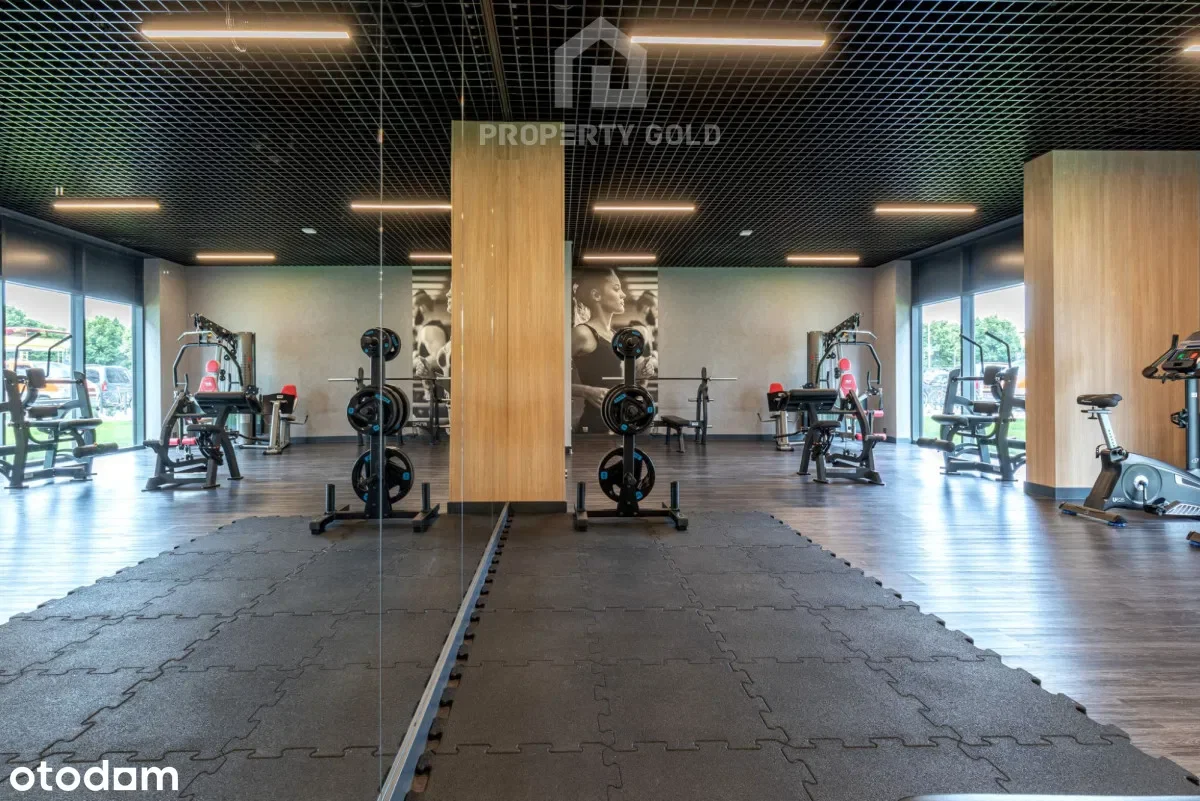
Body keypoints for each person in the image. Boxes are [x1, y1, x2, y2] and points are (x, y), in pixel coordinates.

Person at [572, 269, 626, 433]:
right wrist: (586, 391)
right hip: (596, 426)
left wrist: (643, 370)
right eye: (616, 289)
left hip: (620, 423)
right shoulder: (582, 333)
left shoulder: (616, 336)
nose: (623, 295)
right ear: (596, 295)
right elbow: (546, 380)